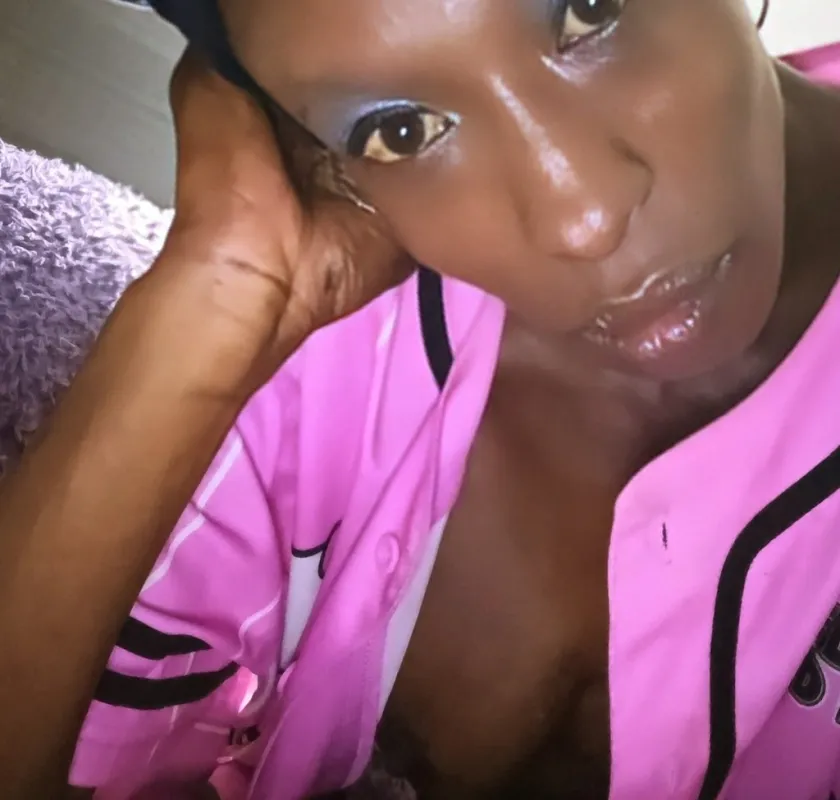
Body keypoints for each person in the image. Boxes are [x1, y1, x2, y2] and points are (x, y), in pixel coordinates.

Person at [2, 0, 840, 797]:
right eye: (402, 131)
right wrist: (211, 300)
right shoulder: (331, 335)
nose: (581, 217)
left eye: (591, 10)